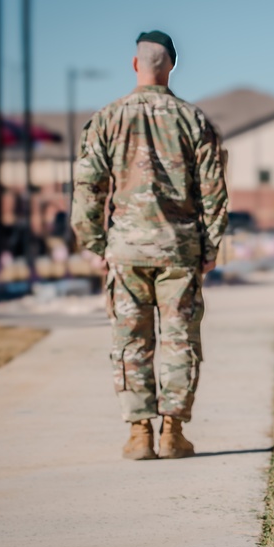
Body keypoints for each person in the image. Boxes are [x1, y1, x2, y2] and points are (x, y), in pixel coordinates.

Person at [71, 30, 229, 460]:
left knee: (130, 341)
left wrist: (96, 244)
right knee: (180, 340)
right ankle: (173, 433)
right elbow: (214, 192)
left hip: (125, 250)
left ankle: (139, 433)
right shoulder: (193, 121)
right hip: (180, 250)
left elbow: (86, 189)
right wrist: (210, 247)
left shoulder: (106, 119)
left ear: (135, 64)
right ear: (171, 65)